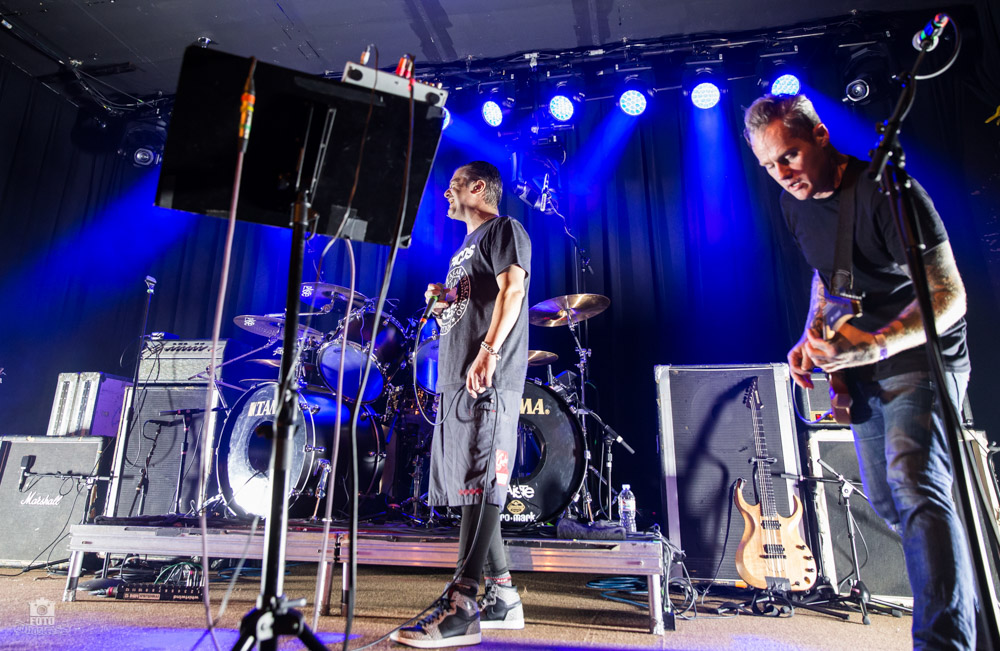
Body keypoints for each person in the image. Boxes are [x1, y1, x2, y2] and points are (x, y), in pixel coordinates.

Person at [743, 93, 975, 649]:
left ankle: (945, 641)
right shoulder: (793, 204)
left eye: (790, 156)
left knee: (915, 484)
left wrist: (871, 347)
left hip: (922, 356)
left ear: (821, 135)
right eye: (769, 166)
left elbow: (949, 296)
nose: (783, 174)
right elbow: (829, 275)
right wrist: (811, 334)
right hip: (863, 364)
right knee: (893, 502)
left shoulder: (890, 191)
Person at [391, 161, 531, 648]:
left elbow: (513, 290)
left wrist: (488, 352)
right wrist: (450, 295)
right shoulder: (464, 248)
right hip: (459, 382)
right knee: (471, 486)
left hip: (488, 377)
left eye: (452, 187)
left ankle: (463, 606)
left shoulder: (504, 229)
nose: (445, 195)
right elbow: (480, 297)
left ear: (477, 188)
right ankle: (504, 598)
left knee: (483, 481)